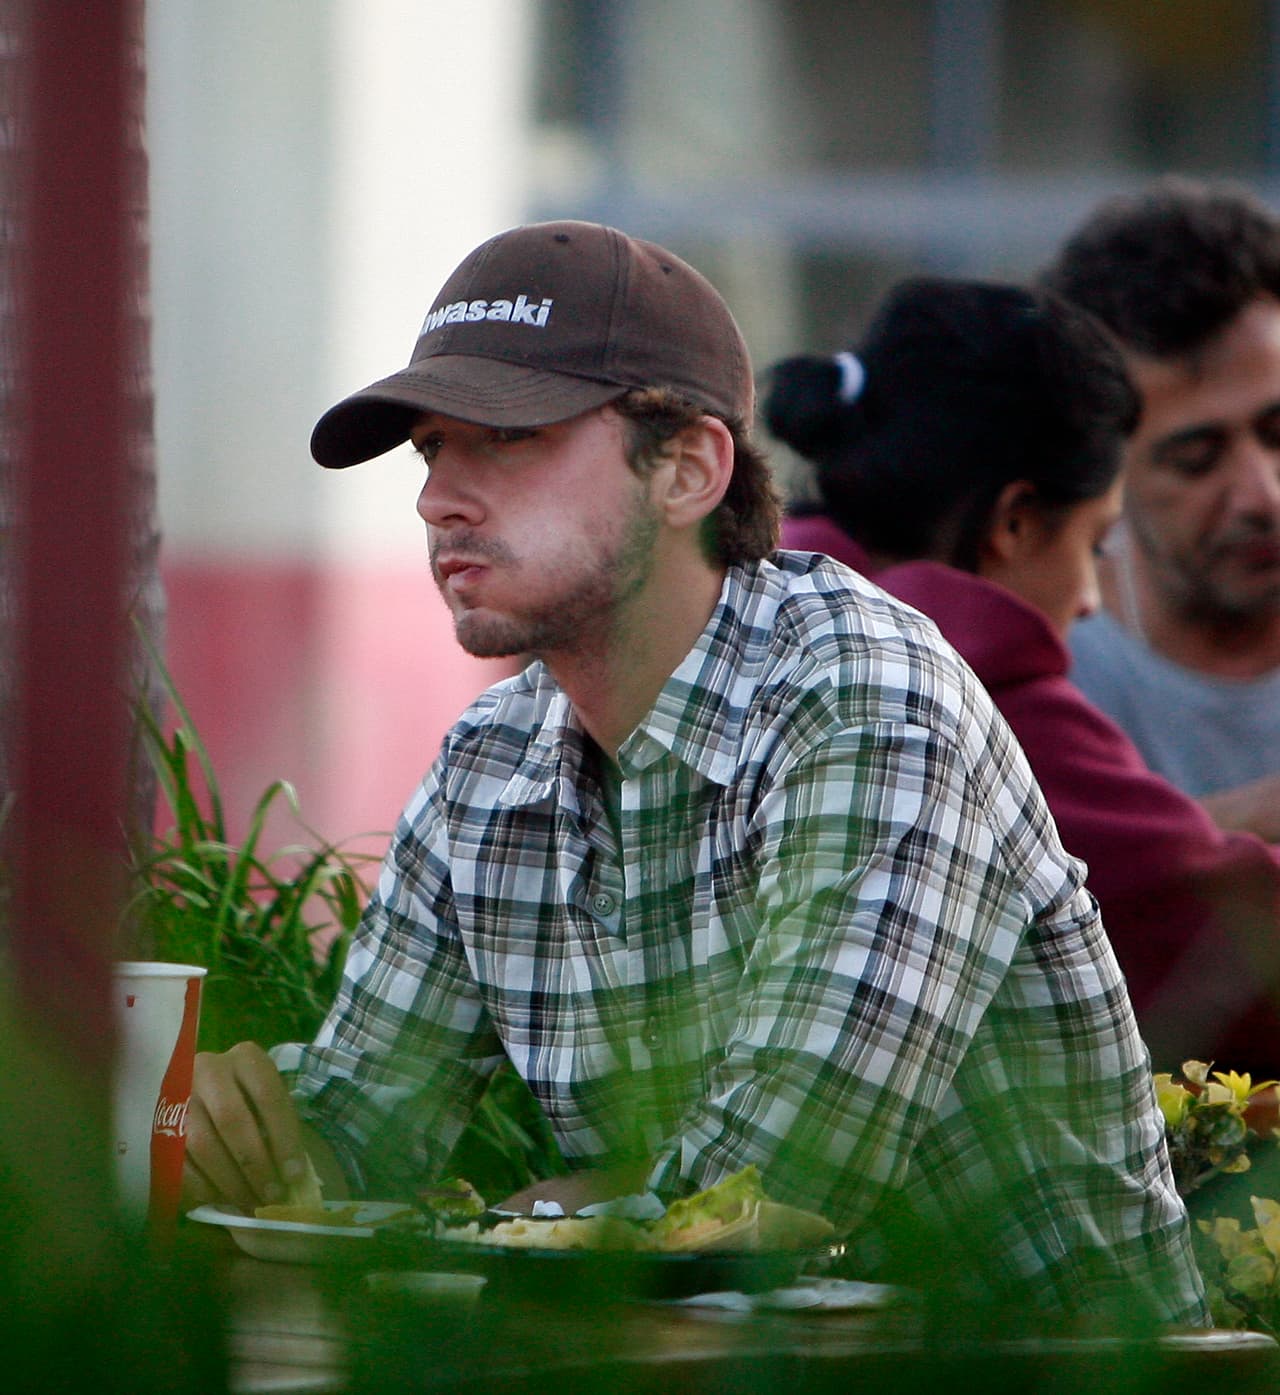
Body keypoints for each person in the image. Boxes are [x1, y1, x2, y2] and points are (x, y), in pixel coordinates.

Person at [185, 221, 1204, 1322]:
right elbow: (356, 1138)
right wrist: (237, 1136)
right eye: (434, 448)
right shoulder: (490, 760)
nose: (439, 498)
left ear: (687, 469)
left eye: (505, 438)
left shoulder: (863, 687)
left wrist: (511, 1229)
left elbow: (767, 1190)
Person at [766, 275, 1280, 1077]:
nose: (1086, 600)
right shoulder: (969, 688)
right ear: (1013, 523)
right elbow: (1216, 927)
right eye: (1094, 543)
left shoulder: (753, 609)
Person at [1041, 177, 1280, 842]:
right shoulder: (1051, 674)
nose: (1262, 496)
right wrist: (1224, 834)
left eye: (1277, 433)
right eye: (1197, 457)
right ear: (1102, 468)